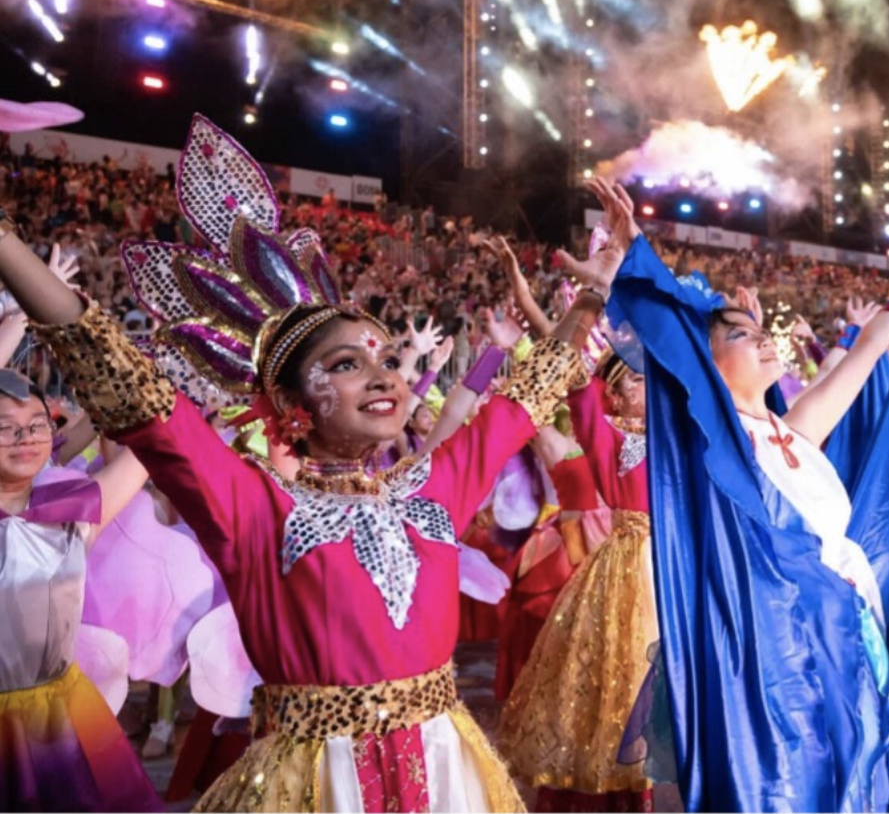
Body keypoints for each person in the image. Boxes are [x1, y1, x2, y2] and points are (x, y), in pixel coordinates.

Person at [0, 116, 614, 813]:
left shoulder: (434, 484)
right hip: (319, 786)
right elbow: (122, 379)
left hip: (446, 770)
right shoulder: (253, 504)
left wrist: (592, 298)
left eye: (387, 359)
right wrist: (7, 248)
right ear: (291, 403)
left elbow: (528, 394)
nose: (383, 376)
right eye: (346, 365)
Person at [603, 178, 889, 813]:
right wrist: (635, 244)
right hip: (782, 657)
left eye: (760, 327)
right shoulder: (720, 449)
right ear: (710, 364)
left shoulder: (795, 428)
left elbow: (861, 359)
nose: (764, 336)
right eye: (743, 335)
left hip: (854, 628)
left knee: (863, 782)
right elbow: (676, 343)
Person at [498, 349, 658, 812]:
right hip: (628, 565)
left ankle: (651, 782)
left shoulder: (675, 435)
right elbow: (581, 391)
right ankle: (621, 784)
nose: (648, 387)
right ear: (619, 394)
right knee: (623, 675)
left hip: (671, 563)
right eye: (637, 380)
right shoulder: (607, 435)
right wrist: (591, 307)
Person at [0, 368, 163, 811]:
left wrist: (134, 376)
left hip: (62, 714)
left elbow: (154, 443)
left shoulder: (70, 513)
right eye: (5, 428)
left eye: (37, 424)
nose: (25, 437)